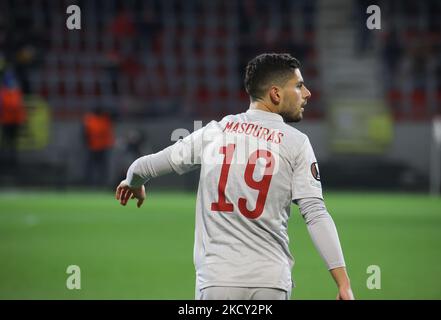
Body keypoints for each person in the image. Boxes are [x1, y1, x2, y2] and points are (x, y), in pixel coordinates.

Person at [115, 53, 354, 300]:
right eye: (299, 85)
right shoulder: (296, 142)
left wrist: (133, 183)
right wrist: (343, 283)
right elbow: (315, 213)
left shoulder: (214, 132)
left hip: (217, 281)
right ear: (275, 94)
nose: (307, 94)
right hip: (271, 281)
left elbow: (144, 167)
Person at [83, 107, 115, 187]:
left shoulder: (104, 118)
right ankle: (90, 183)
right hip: (94, 147)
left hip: (103, 147)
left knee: (102, 167)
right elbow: (85, 133)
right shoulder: (91, 119)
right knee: (92, 167)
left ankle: (102, 183)